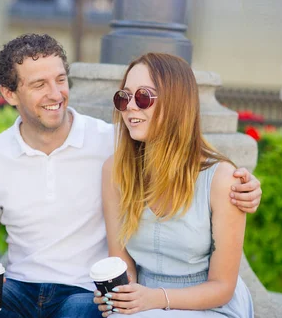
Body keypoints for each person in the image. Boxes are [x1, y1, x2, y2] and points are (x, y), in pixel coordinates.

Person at [0, 34, 261, 318]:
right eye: (39, 84)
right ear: (9, 94)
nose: (55, 94)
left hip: (86, 292)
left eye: (60, 80)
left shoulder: (112, 142)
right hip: (18, 289)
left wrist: (244, 186)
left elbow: (182, 149)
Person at [93, 53, 253, 317]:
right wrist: (121, 295)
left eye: (143, 97)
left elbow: (223, 287)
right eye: (124, 97)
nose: (131, 107)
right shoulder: (114, 171)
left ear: (176, 103)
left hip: (209, 304)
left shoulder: (222, 179)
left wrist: (155, 299)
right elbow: (122, 261)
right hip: (145, 302)